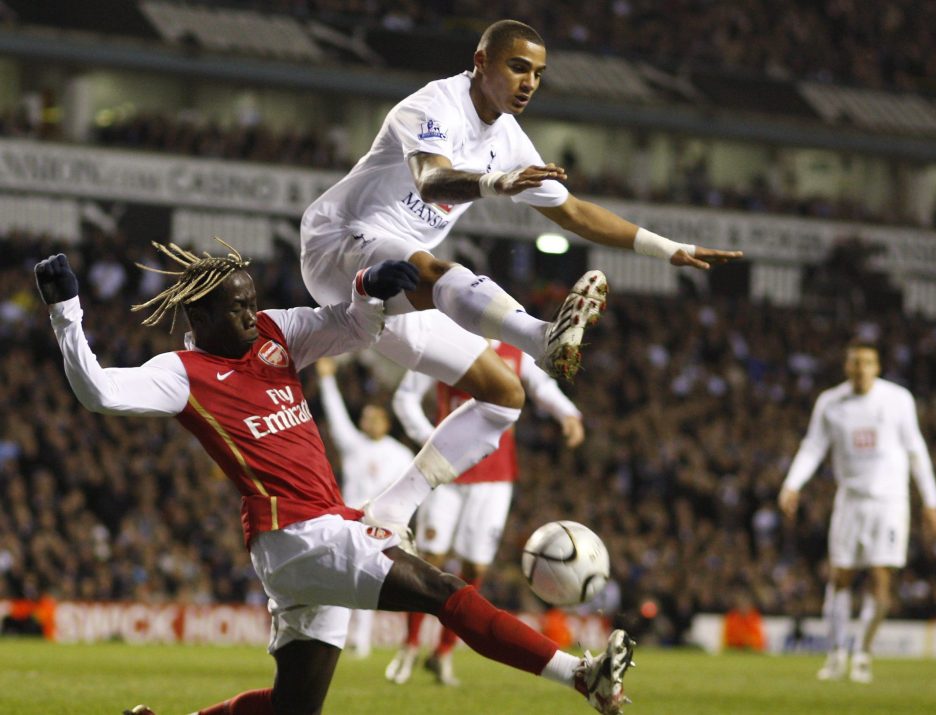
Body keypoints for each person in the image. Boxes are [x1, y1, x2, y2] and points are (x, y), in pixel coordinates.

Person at [35, 242, 634, 715]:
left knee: (295, 706)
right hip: (297, 535)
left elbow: (349, 326)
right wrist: (67, 312)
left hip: (315, 535)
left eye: (251, 300)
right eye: (236, 307)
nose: (251, 313)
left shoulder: (273, 333)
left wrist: (368, 291)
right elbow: (99, 393)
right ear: (199, 315)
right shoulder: (182, 372)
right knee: (441, 590)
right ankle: (579, 675)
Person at [300, 18, 742, 542]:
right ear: (482, 62)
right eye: (518, 67)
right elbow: (431, 177)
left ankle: (390, 512)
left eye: (538, 73)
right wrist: (497, 182)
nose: (529, 81)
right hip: (339, 244)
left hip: (400, 290)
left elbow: (574, 213)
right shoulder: (433, 105)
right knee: (438, 270)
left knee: (503, 395)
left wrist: (669, 249)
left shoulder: (507, 137)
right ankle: (540, 338)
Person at [385, 341, 584, 686]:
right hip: (446, 472)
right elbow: (405, 397)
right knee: (429, 558)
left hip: (495, 478)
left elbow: (543, 387)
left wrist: (568, 413)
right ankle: (410, 645)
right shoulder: (445, 342)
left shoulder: (514, 351)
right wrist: (431, 439)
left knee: (475, 566)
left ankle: (443, 653)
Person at [778, 339, 936, 684]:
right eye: (854, 363)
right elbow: (813, 446)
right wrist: (792, 484)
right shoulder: (831, 402)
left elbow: (916, 450)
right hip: (850, 501)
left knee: (881, 578)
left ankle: (863, 653)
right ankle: (837, 654)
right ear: (846, 367)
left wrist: (931, 500)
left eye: (866, 363)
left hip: (890, 502)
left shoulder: (898, 400)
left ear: (877, 367)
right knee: (840, 577)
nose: (860, 369)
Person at [315, 356, 415, 658]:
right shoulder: (353, 445)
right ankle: (335, 636)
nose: (368, 422)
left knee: (369, 579)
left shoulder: (401, 454)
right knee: (340, 580)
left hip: (381, 526)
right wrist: (326, 379)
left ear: (386, 422)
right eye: (366, 418)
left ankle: (362, 640)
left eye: (375, 418)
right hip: (347, 523)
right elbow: (335, 415)